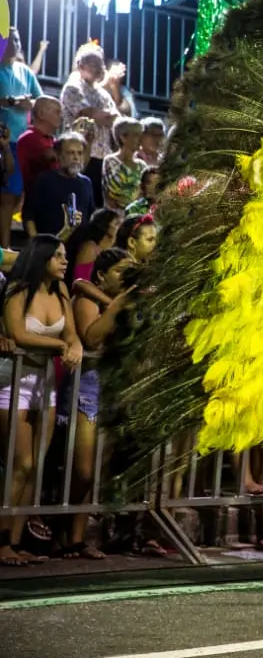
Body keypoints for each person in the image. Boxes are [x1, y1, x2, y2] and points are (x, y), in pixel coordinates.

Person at [0, 235, 83, 565]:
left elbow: (72, 332)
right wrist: (59, 348)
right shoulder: (18, 290)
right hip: (13, 379)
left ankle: (16, 543)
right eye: (58, 256)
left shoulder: (60, 291)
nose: (65, 261)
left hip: (45, 382)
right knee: (20, 465)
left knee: (36, 467)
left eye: (65, 256)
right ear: (42, 258)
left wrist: (74, 345)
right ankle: (2, 541)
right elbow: (18, 334)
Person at [63, 247, 133, 559]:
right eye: (119, 271)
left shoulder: (123, 302)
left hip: (113, 390)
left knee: (98, 470)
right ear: (102, 275)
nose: (125, 277)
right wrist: (117, 305)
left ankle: (77, 538)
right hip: (86, 392)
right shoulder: (87, 300)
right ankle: (61, 529)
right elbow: (91, 339)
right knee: (83, 471)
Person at [59, 42, 116, 207]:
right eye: (94, 65)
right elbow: (90, 113)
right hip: (82, 155)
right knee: (80, 203)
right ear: (80, 65)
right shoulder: (73, 88)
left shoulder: (103, 93)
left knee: (98, 204)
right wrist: (102, 115)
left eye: (101, 65)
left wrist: (104, 116)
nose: (100, 69)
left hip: (103, 156)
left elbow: (115, 117)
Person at [0, 30, 43, 248]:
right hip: (3, 141)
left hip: (22, 141)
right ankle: (5, 247)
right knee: (7, 196)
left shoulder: (25, 72)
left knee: (15, 195)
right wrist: (10, 101)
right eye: (8, 39)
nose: (14, 44)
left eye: (17, 39)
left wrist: (30, 104)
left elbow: (39, 99)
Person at [25, 133, 93, 238]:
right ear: (58, 155)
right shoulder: (44, 180)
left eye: (80, 153)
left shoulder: (86, 183)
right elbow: (29, 217)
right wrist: (36, 245)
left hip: (79, 249)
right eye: (71, 153)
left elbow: (90, 217)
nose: (76, 157)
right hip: (50, 247)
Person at [16, 96, 62, 189]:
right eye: (57, 112)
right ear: (41, 114)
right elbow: (58, 159)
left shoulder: (52, 140)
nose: (61, 117)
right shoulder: (29, 138)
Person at [102, 118, 145, 209]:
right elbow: (113, 194)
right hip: (116, 216)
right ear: (123, 137)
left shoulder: (142, 165)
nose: (141, 139)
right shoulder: (111, 161)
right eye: (137, 135)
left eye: (142, 134)